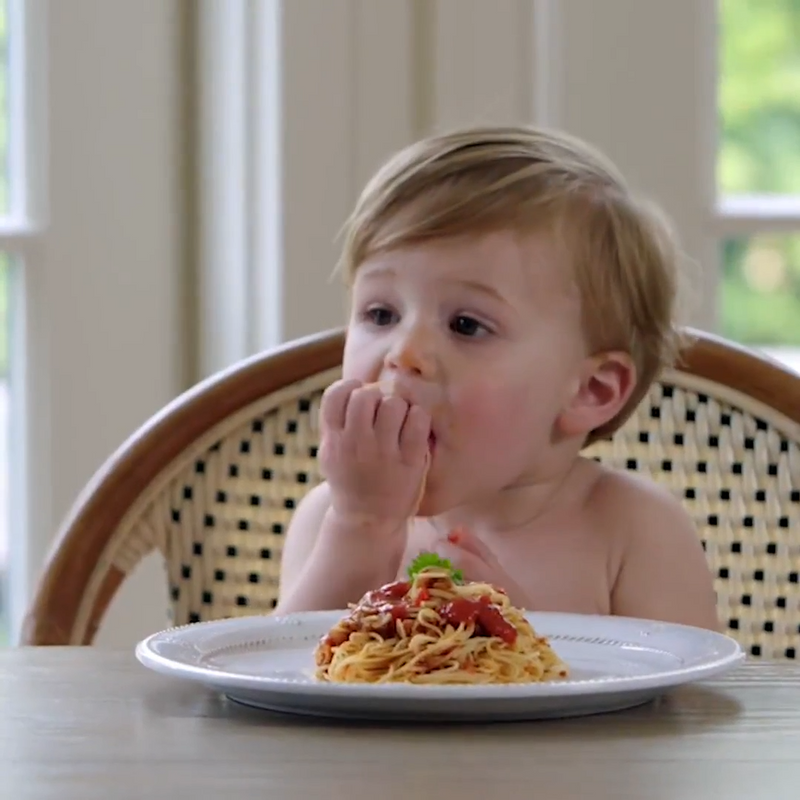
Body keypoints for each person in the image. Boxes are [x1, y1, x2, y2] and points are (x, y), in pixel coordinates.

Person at [275, 124, 719, 631]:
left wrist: (519, 634)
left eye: (466, 325)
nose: (404, 353)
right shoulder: (329, 518)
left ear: (591, 390)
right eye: (380, 314)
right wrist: (361, 532)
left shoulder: (634, 532)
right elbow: (272, 684)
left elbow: (684, 709)